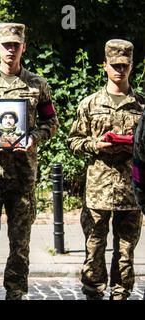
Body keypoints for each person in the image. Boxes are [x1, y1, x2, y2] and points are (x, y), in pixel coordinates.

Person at [0, 23, 59, 300]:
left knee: (20, 244)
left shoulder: (38, 85)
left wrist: (34, 138)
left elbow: (51, 122)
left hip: (22, 175)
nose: (10, 50)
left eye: (15, 45)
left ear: (23, 48)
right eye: (6, 45)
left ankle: (15, 293)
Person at [68, 39, 144, 300]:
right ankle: (93, 293)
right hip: (98, 190)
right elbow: (73, 141)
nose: (119, 71)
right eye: (114, 65)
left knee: (125, 253)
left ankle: (121, 295)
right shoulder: (90, 104)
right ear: (104, 66)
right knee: (94, 249)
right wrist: (95, 144)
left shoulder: (141, 106)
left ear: (131, 66)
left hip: (130, 191)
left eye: (124, 65)